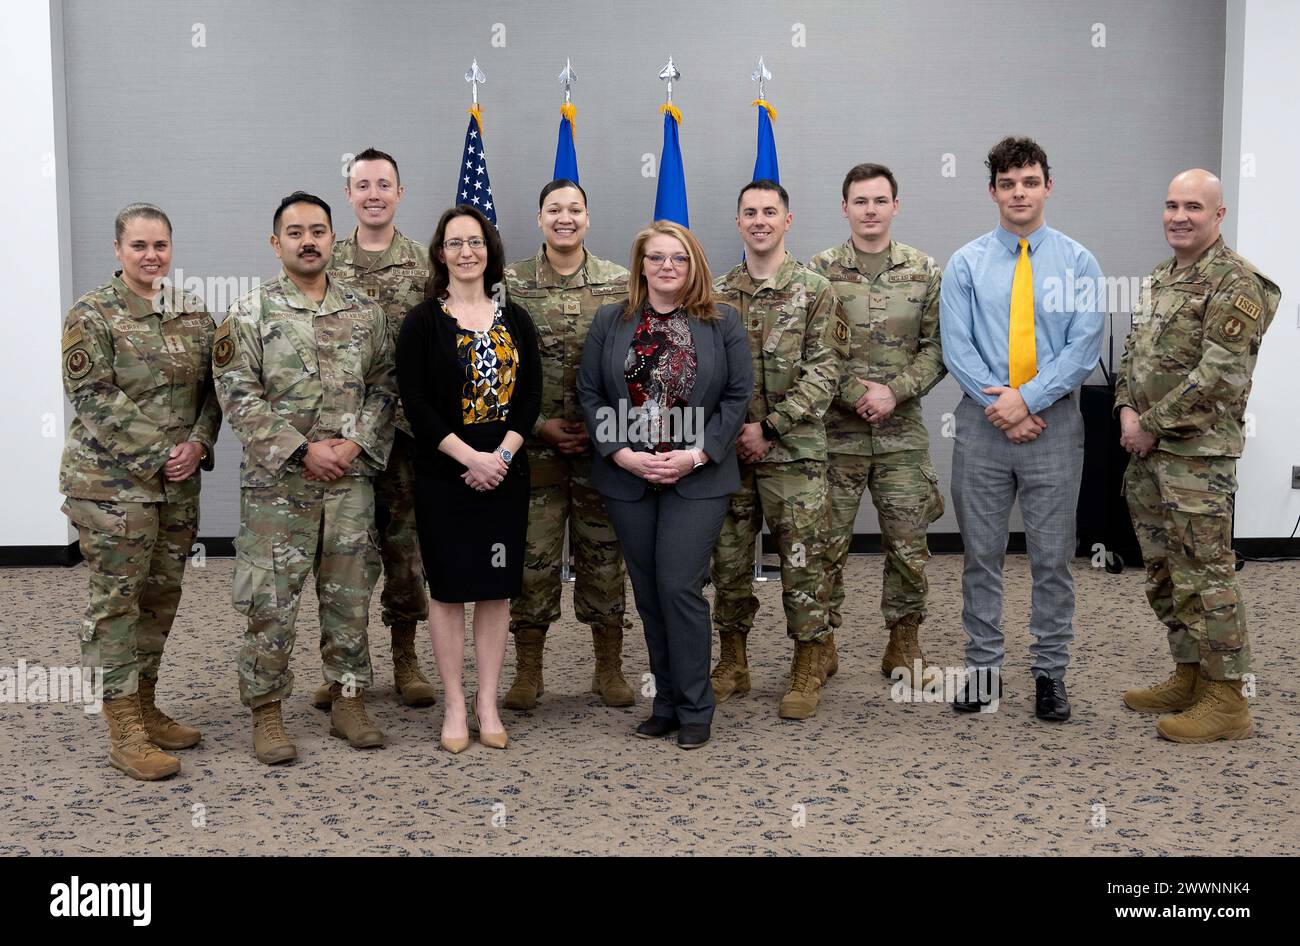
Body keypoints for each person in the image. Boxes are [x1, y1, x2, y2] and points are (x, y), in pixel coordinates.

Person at [215, 191, 396, 764]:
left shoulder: (364, 311)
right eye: (295, 232)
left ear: (332, 239)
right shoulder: (248, 314)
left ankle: (349, 700)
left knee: (349, 597)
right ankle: (266, 713)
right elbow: (236, 395)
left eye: (318, 230)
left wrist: (355, 443)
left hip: (349, 482)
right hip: (278, 489)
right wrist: (300, 450)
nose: (308, 240)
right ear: (276, 243)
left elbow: (386, 386)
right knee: (270, 601)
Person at [939, 137, 1104, 721]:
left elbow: (1084, 347)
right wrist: (1004, 407)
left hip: (1054, 425)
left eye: (1029, 182)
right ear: (993, 191)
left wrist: (1028, 400)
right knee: (980, 556)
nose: (1019, 193)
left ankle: (1049, 675)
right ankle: (983, 671)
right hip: (983, 426)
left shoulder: (1079, 262)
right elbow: (956, 348)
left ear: (1047, 187)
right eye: (1007, 184)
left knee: (1052, 558)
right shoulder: (965, 263)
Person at [1116, 168, 1280, 743]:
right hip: (1148, 454)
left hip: (1197, 459)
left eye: (1192, 206)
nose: (1179, 215)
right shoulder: (1164, 276)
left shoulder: (1237, 283)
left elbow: (1218, 376)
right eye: (1171, 204)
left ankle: (1229, 699)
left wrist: (1151, 426)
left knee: (1208, 576)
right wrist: (1124, 412)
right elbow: (1135, 356)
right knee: (1165, 571)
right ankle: (1190, 674)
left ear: (1219, 215)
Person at [60, 202, 220, 781]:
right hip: (112, 488)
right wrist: (163, 452)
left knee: (160, 599)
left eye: (160, 246)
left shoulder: (193, 314)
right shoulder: (93, 315)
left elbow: (215, 393)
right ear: (118, 250)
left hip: (177, 487)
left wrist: (198, 444)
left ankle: (146, 703)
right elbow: (94, 397)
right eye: (139, 247)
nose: (151, 256)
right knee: (117, 605)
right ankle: (122, 727)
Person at [577, 220, 752, 749]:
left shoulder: (722, 321)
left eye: (678, 257)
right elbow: (590, 393)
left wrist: (695, 456)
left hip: (696, 477)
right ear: (641, 266)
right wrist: (624, 455)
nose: (667, 267)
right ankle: (667, 703)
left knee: (680, 587)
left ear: (693, 262)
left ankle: (698, 706)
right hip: (629, 475)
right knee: (650, 593)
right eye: (656, 258)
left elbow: (736, 397)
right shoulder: (613, 320)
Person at [396, 205, 541, 753]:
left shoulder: (517, 320)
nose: (466, 252)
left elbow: (529, 400)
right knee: (450, 589)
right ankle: (454, 703)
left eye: (475, 242)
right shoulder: (422, 322)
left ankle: (487, 702)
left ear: (489, 250)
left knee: (496, 590)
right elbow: (416, 404)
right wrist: (469, 460)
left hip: (506, 477)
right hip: (444, 478)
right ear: (440, 253)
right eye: (455, 243)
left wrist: (498, 458)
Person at [710, 180, 850, 720]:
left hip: (793, 455)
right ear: (738, 221)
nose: (760, 220)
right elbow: (703, 374)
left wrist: (768, 427)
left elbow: (824, 374)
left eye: (771, 211)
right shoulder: (717, 294)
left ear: (787, 221)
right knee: (728, 561)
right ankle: (733, 661)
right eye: (751, 212)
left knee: (801, 563)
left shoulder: (816, 290)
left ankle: (808, 663)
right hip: (728, 456)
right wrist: (730, 433)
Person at [808, 164, 947, 688]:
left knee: (909, 548)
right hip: (835, 436)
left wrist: (896, 391)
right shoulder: (819, 270)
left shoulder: (925, 271)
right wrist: (852, 394)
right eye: (860, 201)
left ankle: (904, 642)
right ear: (845, 208)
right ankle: (820, 645)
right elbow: (810, 347)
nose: (870, 210)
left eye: (880, 200)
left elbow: (939, 348)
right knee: (824, 545)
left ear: (895, 206)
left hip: (901, 436)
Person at [503, 179, 633, 710]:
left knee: (604, 559)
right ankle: (529, 671)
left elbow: (639, 365)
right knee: (531, 563)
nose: (565, 217)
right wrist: (538, 426)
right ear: (539, 219)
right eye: (554, 209)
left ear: (587, 217)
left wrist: (611, 429)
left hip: (604, 451)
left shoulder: (621, 284)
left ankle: (609, 668)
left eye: (574, 209)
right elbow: (495, 368)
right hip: (533, 448)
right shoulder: (507, 284)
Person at [316, 147, 437, 710]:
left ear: (399, 193)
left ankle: (405, 659)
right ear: (348, 194)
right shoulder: (324, 261)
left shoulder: (424, 263)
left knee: (404, 550)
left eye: (383, 185)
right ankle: (342, 668)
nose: (373, 194)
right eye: (362, 185)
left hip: (406, 436)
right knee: (344, 555)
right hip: (341, 438)